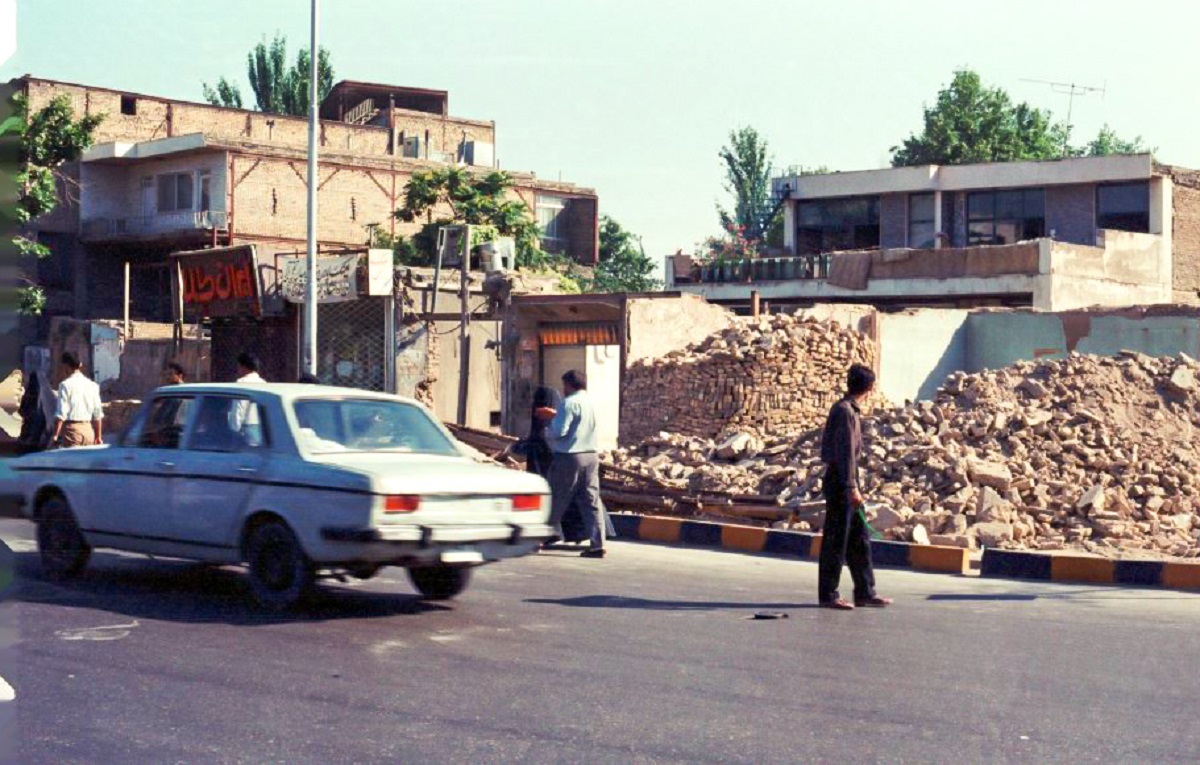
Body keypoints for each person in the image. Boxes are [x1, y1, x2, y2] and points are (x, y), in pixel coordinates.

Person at [817, 363, 891, 610]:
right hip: (841, 480)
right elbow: (846, 453)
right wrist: (851, 487)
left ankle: (865, 591)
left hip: (847, 478)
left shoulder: (848, 409)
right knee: (836, 541)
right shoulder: (845, 412)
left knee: (859, 539)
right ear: (869, 388)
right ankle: (829, 594)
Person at [537, 369, 606, 558]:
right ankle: (598, 544)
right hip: (591, 455)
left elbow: (559, 431)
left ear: (568, 385)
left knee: (556, 497)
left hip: (569, 456)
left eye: (564, 385)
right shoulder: (590, 402)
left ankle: (539, 537)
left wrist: (547, 429)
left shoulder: (568, 403)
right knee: (590, 500)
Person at [51, 352, 103, 448]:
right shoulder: (93, 386)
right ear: (80, 365)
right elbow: (97, 415)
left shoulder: (65, 385)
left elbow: (61, 413)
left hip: (72, 432)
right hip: (89, 431)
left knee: (71, 457)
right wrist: (98, 436)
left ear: (66, 366)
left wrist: (55, 435)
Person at [230, 352, 265, 446]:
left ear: (244, 366)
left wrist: (234, 429)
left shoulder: (241, 383)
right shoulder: (263, 383)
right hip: (261, 429)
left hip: (247, 428)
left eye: (239, 366)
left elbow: (239, 408)